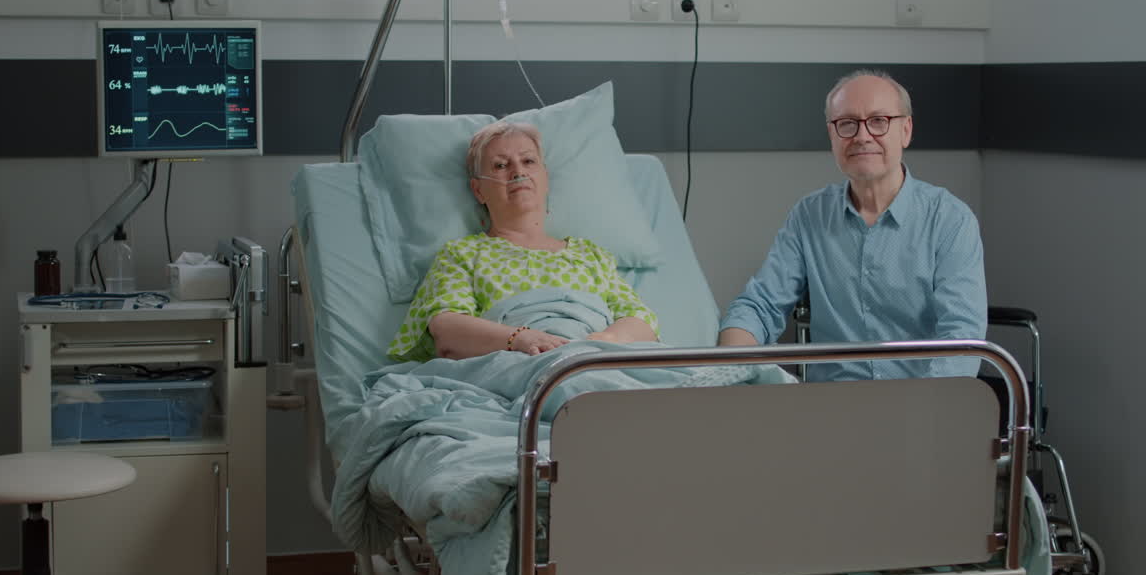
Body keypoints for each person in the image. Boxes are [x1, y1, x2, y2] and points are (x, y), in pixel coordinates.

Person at [718, 69, 986, 381]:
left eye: (878, 121)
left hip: (922, 402)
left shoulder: (950, 220)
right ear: (832, 135)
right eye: (847, 123)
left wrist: (922, 412)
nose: (861, 136)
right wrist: (729, 370)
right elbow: (760, 305)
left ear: (906, 130)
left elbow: (961, 340)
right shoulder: (809, 216)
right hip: (833, 409)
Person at [387, 121, 659, 362]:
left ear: (545, 177)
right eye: (501, 165)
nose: (518, 172)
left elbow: (640, 321)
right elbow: (446, 329)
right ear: (478, 190)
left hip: (594, 362)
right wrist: (519, 339)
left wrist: (605, 343)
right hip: (518, 362)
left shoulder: (592, 255)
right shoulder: (463, 254)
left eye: (528, 161)